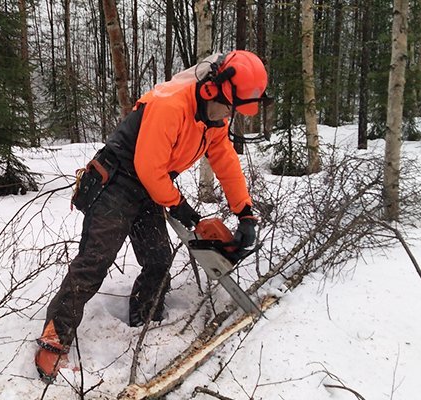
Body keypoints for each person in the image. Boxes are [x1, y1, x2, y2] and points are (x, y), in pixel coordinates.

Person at [35, 50, 270, 382]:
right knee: (95, 261)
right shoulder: (170, 105)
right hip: (118, 180)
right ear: (210, 90)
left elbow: (225, 161)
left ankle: (146, 317)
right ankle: (54, 336)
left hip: (150, 184)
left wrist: (245, 213)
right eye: (230, 106)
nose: (230, 115)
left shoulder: (214, 118)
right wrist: (182, 208)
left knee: (158, 257)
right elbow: (147, 167)